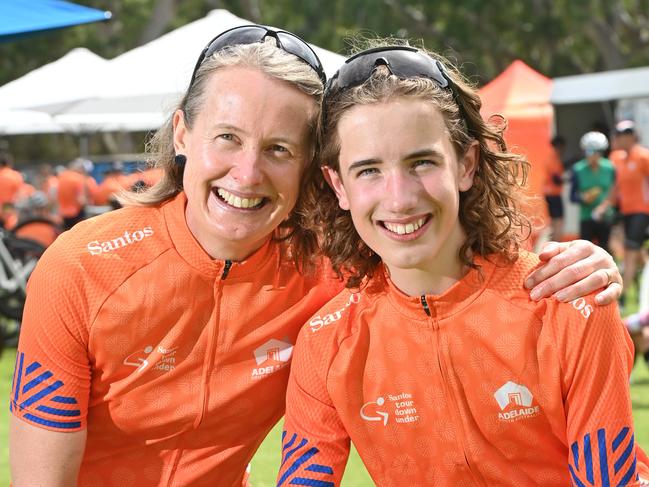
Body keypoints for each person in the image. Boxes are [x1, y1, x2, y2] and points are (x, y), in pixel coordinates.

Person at [9, 26, 623, 487]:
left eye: (279, 147)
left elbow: (436, 275)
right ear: (181, 135)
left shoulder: (334, 280)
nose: (246, 173)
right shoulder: (83, 267)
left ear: (311, 172)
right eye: (228, 137)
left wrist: (587, 264)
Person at [277, 43, 649, 486]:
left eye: (422, 162)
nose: (399, 198)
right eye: (369, 170)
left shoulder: (568, 303)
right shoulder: (326, 342)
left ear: (466, 164)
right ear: (338, 185)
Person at [609, 120, 649, 311]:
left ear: (632, 136)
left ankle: (621, 299)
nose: (619, 139)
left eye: (623, 135)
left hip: (642, 212)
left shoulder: (643, 156)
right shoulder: (617, 158)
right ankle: (640, 283)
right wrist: (605, 205)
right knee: (633, 254)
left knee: (630, 255)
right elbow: (615, 186)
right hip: (625, 212)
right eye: (617, 135)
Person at [570, 131, 616, 252]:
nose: (594, 155)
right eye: (590, 151)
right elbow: (572, 196)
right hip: (586, 216)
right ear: (585, 151)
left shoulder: (610, 167)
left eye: (598, 151)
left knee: (605, 249)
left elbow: (615, 190)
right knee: (584, 251)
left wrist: (605, 206)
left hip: (605, 215)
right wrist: (583, 198)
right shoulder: (578, 169)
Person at [56, 157, 92, 230]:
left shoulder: (62, 177)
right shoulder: (78, 178)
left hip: (63, 214)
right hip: (76, 214)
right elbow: (81, 200)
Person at [543, 135, 566, 240]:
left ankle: (554, 241)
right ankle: (555, 242)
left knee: (555, 221)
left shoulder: (552, 157)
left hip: (550, 193)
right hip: (553, 194)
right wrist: (566, 179)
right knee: (558, 221)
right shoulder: (554, 159)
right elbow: (556, 179)